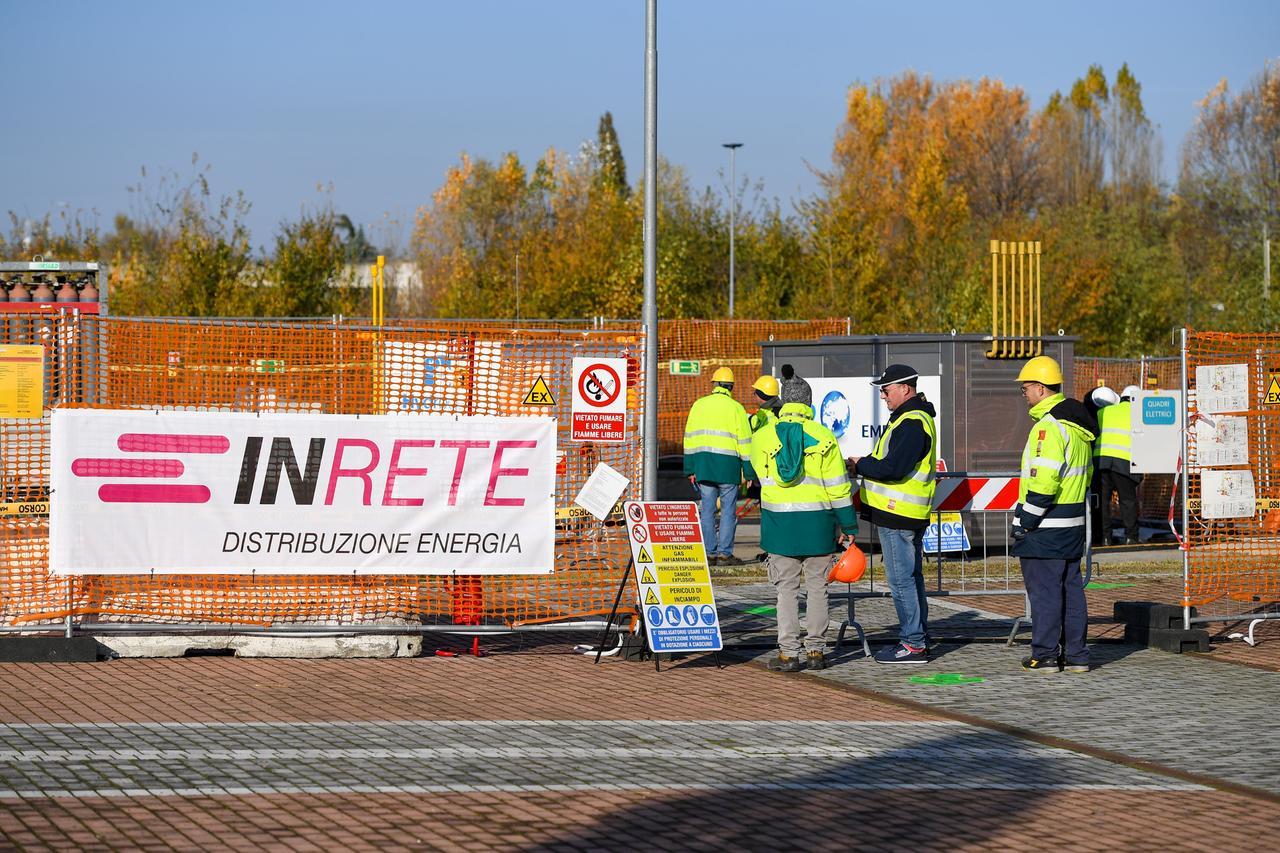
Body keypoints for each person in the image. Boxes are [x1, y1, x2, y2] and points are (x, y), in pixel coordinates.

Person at [750, 377, 857, 672]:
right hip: (818, 526)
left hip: (779, 526)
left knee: (785, 590)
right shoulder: (824, 437)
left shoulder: (763, 436)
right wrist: (848, 524)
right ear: (808, 403)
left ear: (784, 401)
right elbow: (838, 487)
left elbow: (754, 471)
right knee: (818, 588)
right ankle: (816, 651)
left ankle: (788, 653)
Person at [1011, 355, 1097, 673]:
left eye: (1028, 386)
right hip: (1072, 523)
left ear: (1042, 389)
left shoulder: (1048, 428)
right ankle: (1077, 656)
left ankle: (1045, 654)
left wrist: (1025, 522)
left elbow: (1044, 481)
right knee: (1071, 590)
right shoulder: (1076, 428)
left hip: (1045, 526)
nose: (1024, 391)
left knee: (1045, 593)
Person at [848, 364, 937, 663]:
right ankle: (919, 637)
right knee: (911, 578)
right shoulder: (909, 419)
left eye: (886, 390)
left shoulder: (911, 422)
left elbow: (893, 468)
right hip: (904, 513)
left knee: (901, 581)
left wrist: (861, 465)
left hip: (898, 514)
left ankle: (913, 644)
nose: (883, 396)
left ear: (905, 389)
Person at [683, 367, 755, 566]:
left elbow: (689, 439)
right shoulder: (736, 408)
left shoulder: (699, 405)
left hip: (704, 467)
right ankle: (724, 554)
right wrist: (748, 472)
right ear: (731, 387)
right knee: (728, 511)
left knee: (707, 510)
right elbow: (745, 443)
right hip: (728, 469)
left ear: (714, 384)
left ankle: (709, 552)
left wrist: (690, 469)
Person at [1093, 385, 1143, 545]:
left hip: (1101, 462)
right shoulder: (1140, 415)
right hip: (1125, 461)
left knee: (1102, 501)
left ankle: (1104, 537)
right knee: (1127, 501)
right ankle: (1131, 537)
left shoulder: (1102, 412)